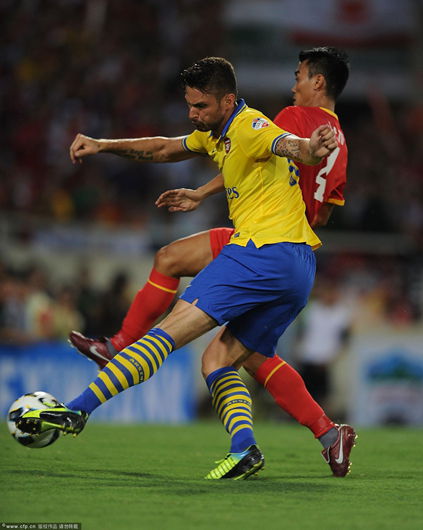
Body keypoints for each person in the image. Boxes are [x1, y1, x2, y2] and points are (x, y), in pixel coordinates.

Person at [17, 56, 346, 481]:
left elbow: (285, 144)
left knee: (165, 336)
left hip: (259, 253)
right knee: (217, 360)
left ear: (227, 101)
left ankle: (78, 409)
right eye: (189, 105)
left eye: (201, 107)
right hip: (298, 268)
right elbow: (162, 147)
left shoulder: (251, 125)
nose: (193, 114)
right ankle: (247, 447)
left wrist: (308, 148)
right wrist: (102, 145)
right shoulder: (220, 134)